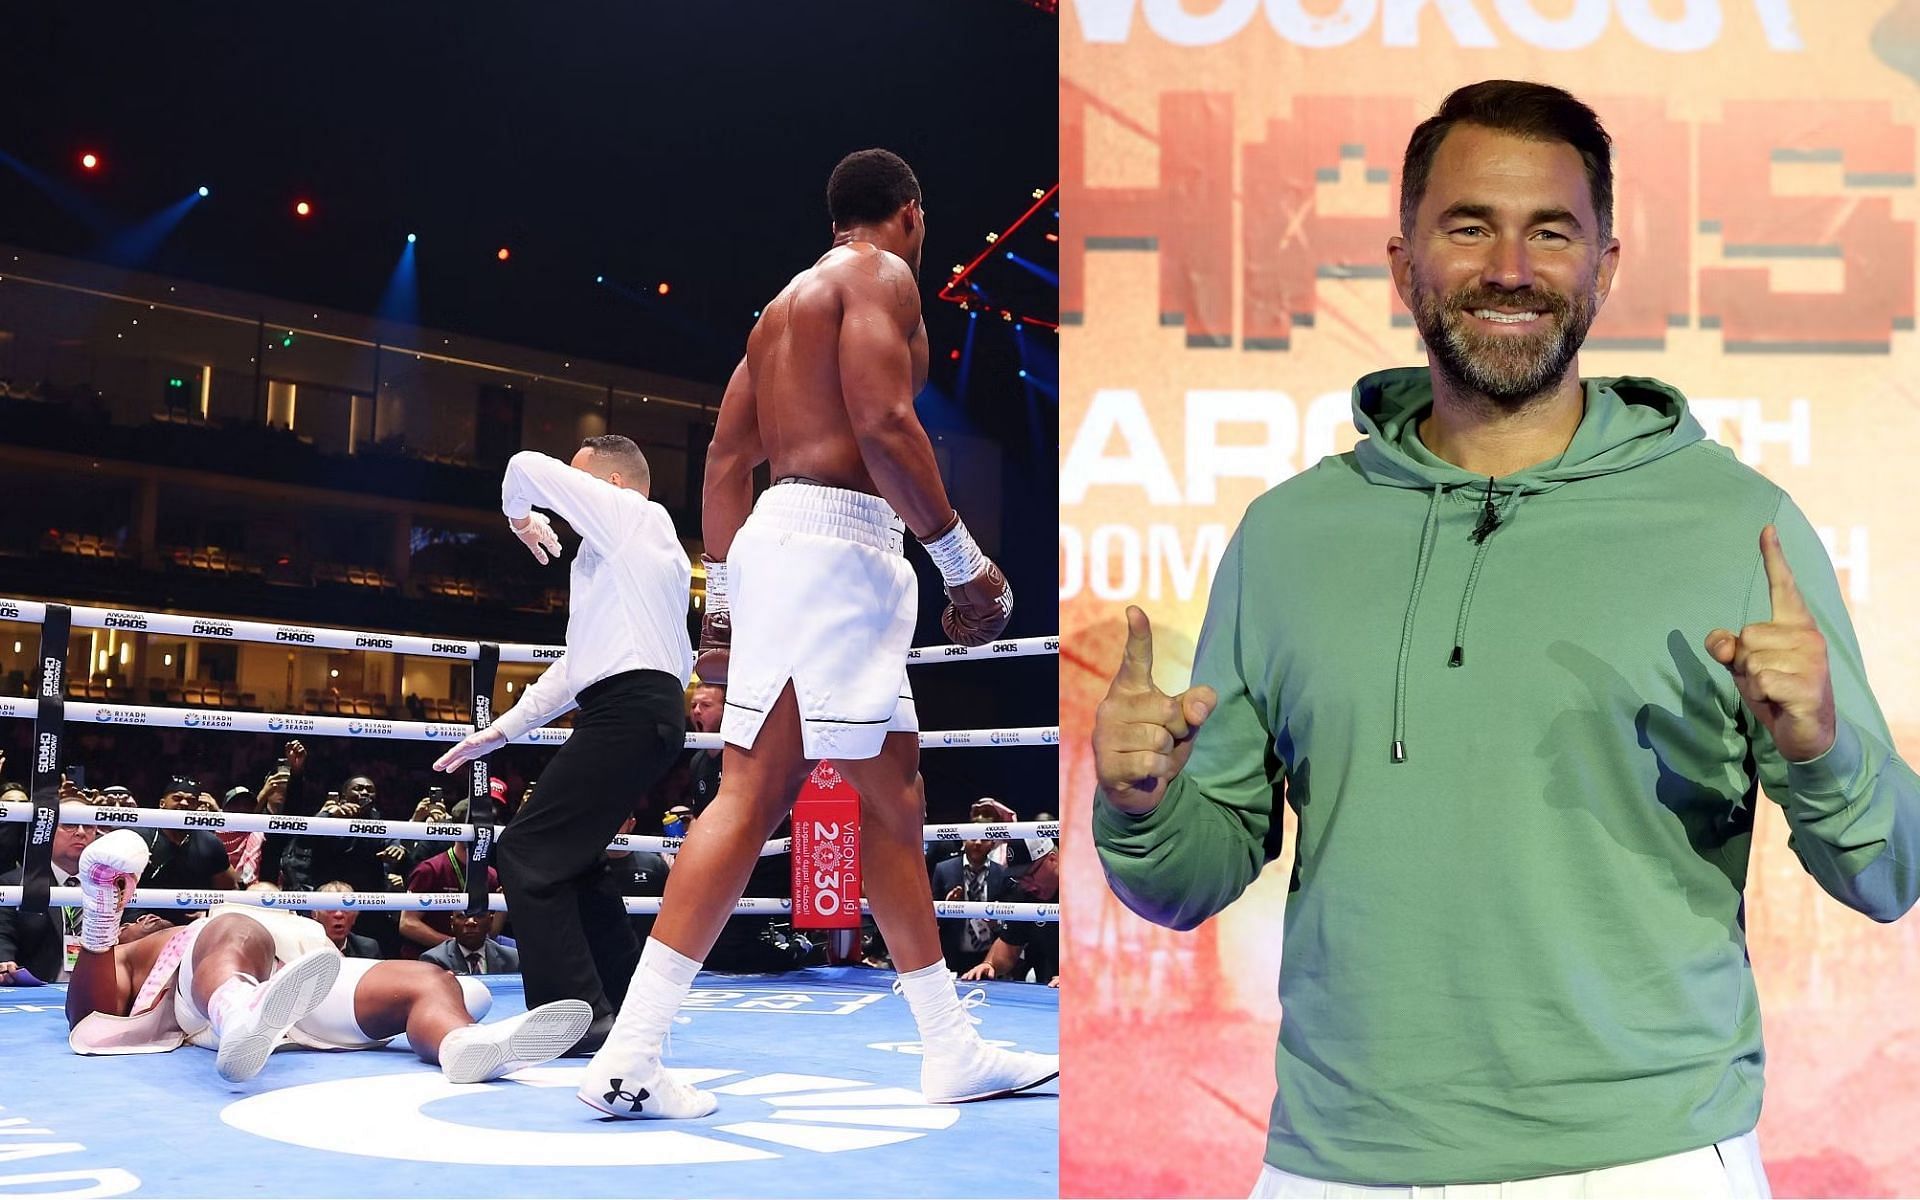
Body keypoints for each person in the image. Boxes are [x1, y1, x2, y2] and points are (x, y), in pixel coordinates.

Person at [1089, 80, 1920, 1197]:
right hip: (1341, 1164)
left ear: (1606, 267)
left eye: (1552, 232)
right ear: (1402, 264)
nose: (1512, 269)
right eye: (1471, 225)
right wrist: (1142, 810)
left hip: (1653, 1159)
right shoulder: (1287, 535)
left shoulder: (1737, 523)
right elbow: (1190, 878)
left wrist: (1824, 750)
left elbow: (1885, 876)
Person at [583, 148, 1056, 1119]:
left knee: (894, 795)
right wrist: (966, 563)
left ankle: (948, 1047)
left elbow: (723, 463)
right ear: (912, 217)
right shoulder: (878, 277)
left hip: (794, 548)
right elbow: (885, 424)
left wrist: (720, 624)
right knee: (754, 793)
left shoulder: (775, 316)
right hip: (836, 551)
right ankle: (629, 1053)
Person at [434, 433, 695, 1054]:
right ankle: (620, 1007)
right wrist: (499, 732)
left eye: (574, 484)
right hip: (640, 710)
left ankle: (574, 1020)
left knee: (526, 853)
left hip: (630, 711)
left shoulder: (634, 517)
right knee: (572, 861)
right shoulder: (620, 561)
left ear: (609, 486)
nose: (563, 503)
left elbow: (522, 464)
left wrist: (520, 517)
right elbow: (577, 668)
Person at [62, 830, 591, 1085]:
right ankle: (240, 1011)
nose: (144, 918)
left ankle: (462, 1045)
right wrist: (105, 917)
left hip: (298, 984)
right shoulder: (139, 948)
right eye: (133, 917)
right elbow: (88, 1015)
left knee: (424, 979)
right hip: (214, 998)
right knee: (234, 926)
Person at [929, 837, 1003, 975]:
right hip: (952, 955)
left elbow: (1009, 925)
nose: (978, 843)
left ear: (993, 844)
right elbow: (930, 920)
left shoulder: (1001, 872)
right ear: (963, 841)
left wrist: (997, 923)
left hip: (989, 956)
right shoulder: (943, 869)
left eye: (984, 839)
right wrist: (947, 908)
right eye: (973, 837)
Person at [422, 911, 518, 976]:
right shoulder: (434, 961)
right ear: (452, 923)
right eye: (462, 916)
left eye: (479, 915)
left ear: (490, 921)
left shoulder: (513, 959)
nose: (470, 922)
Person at [312, 881, 382, 959]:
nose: (339, 914)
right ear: (314, 914)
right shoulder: (303, 948)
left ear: (355, 916)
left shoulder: (369, 949)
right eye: (330, 907)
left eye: (346, 908)